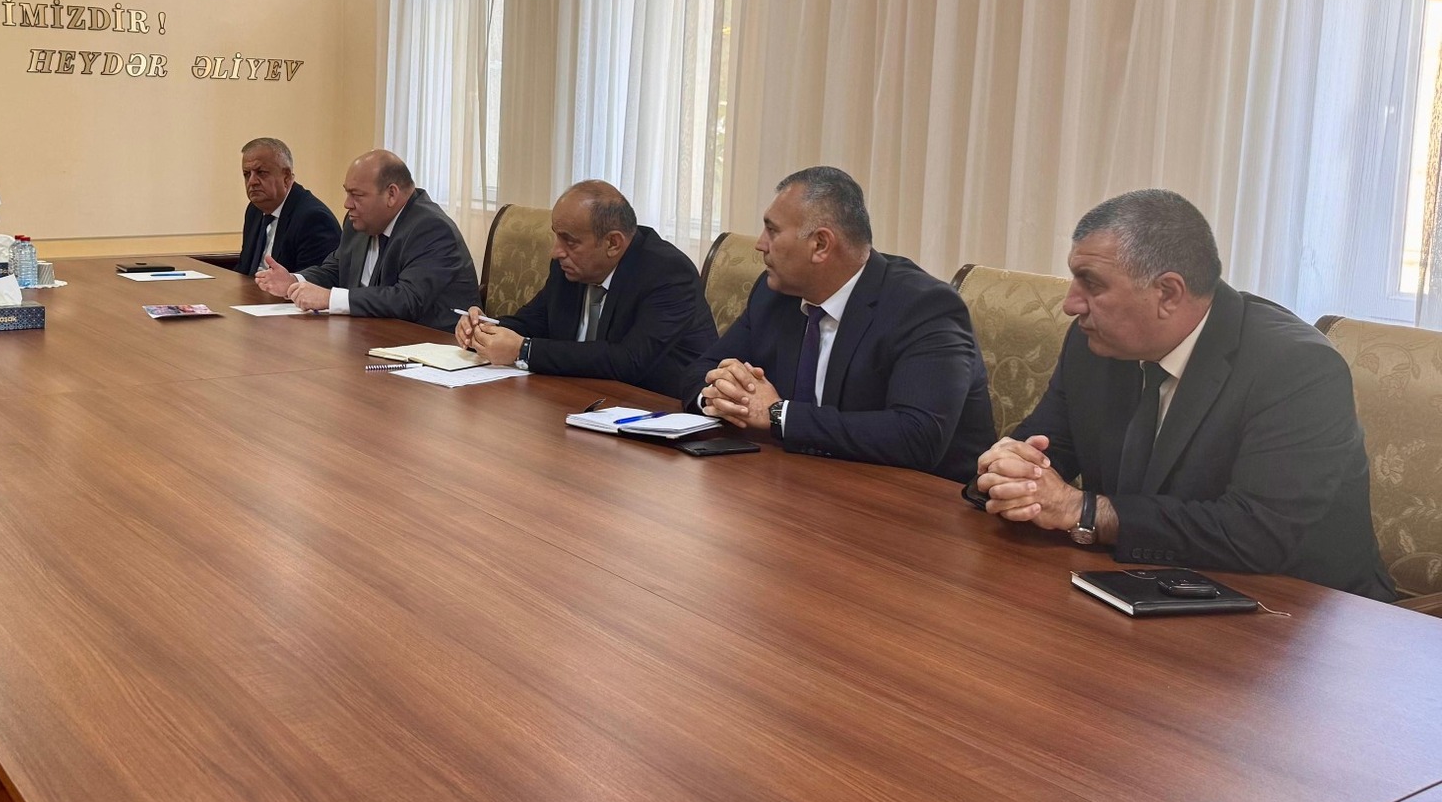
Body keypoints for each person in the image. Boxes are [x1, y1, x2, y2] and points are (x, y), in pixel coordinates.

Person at [972, 189, 1391, 599]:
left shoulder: (1296, 367)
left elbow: (1257, 532)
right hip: (1149, 587)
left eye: (1092, 284)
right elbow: (1046, 450)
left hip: (1302, 611)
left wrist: (1083, 511)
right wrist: (1009, 472)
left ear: (1168, 293)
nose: (1070, 304)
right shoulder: (1094, 345)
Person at [682, 166, 995, 481]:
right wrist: (723, 394)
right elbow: (701, 370)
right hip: (803, 481)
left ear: (820, 244)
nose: (760, 244)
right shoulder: (775, 293)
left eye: (772, 231)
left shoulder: (923, 308)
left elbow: (917, 436)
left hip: (916, 497)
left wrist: (778, 414)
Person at [455, 181, 716, 399]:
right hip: (578, 398)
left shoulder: (667, 274)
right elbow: (534, 321)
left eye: (569, 241)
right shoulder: (569, 265)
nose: (556, 251)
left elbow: (629, 361)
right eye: (557, 236)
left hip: (654, 411)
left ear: (613, 243)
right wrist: (484, 329)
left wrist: (523, 350)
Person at [256, 149, 478, 331]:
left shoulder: (431, 228)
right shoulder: (360, 221)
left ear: (391, 194)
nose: (347, 204)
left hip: (431, 346)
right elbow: (336, 269)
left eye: (357, 195)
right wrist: (294, 281)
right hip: (372, 335)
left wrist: (330, 298)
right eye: (347, 193)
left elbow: (407, 299)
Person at [234, 137, 340, 278]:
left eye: (261, 172)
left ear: (287, 177)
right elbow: (244, 268)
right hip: (252, 289)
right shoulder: (255, 210)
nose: (252, 181)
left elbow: (310, 282)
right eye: (247, 174)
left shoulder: (313, 218)